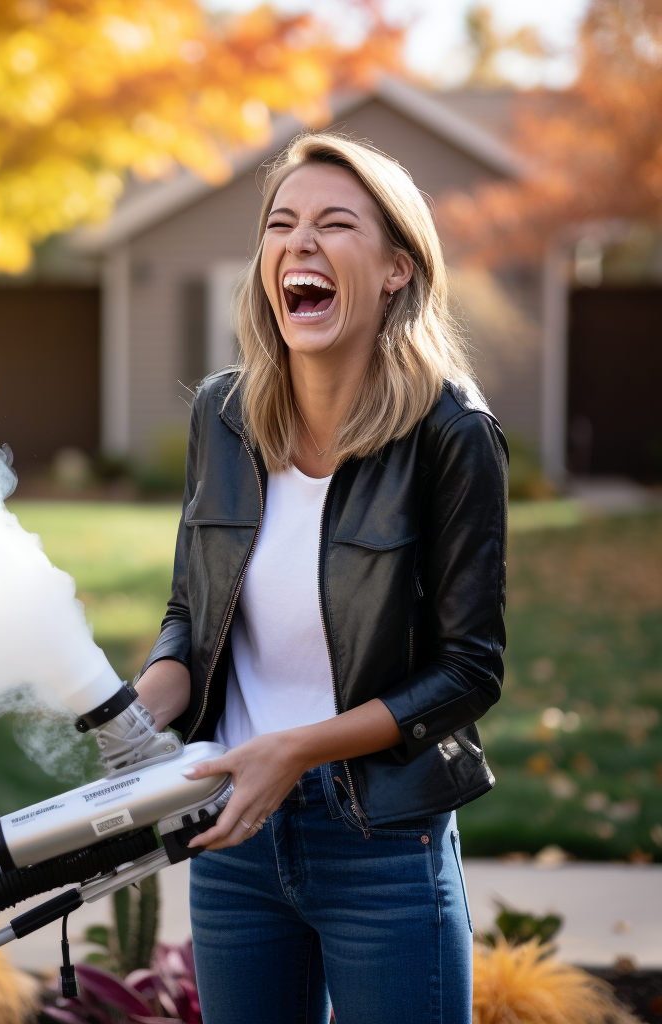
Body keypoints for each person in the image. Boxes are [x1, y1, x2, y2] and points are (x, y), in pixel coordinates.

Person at [134, 134, 507, 1024]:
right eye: (280, 224)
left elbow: (470, 672)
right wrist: (152, 692)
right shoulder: (222, 416)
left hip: (382, 840)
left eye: (335, 224)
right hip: (232, 836)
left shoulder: (453, 434)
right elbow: (195, 611)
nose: (298, 243)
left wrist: (295, 749)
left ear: (395, 272)